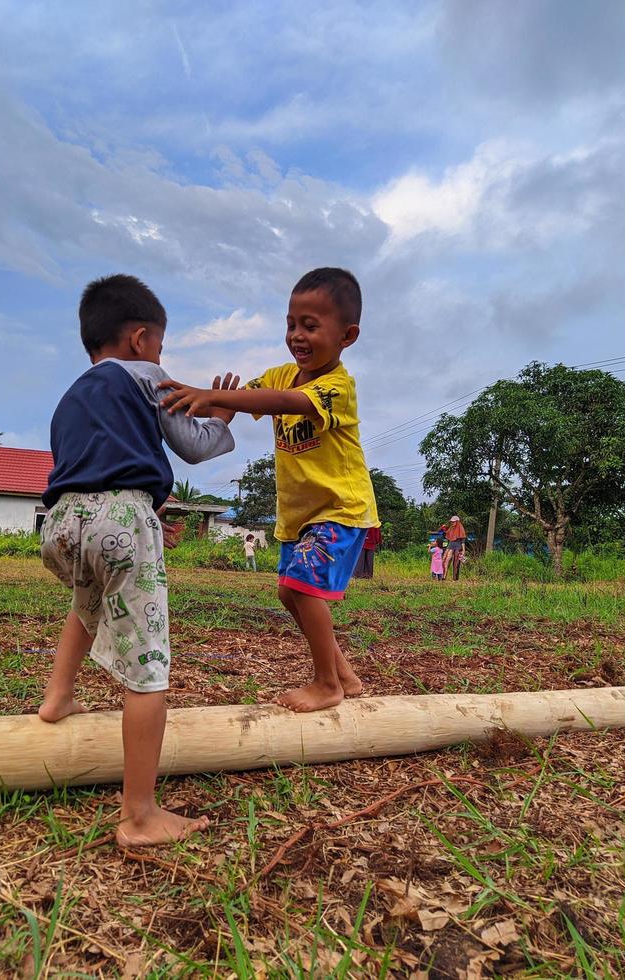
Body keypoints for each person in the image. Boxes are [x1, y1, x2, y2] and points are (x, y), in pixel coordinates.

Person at [38, 274, 236, 849]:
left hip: (60, 524)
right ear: (140, 339)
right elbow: (194, 445)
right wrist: (222, 414)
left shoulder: (70, 396)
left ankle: (58, 697)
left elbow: (90, 465)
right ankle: (140, 814)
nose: (161, 356)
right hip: (121, 518)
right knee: (148, 665)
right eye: (161, 346)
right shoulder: (150, 378)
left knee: (89, 602)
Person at [160, 267, 379, 712]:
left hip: (340, 509)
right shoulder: (281, 375)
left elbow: (283, 403)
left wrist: (211, 395)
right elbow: (247, 398)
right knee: (288, 591)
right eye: (291, 324)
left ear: (347, 335)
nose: (297, 335)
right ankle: (345, 675)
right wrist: (215, 410)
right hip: (299, 518)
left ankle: (326, 685)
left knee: (301, 588)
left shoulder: (337, 388)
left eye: (311, 326)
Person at [444, 514, 467, 581]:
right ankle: (443, 577)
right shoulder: (451, 529)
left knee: (456, 563)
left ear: (457, 522)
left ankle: (455, 579)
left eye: (453, 522)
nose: (452, 523)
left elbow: (462, 541)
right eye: (451, 522)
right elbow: (447, 537)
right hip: (450, 546)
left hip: (458, 547)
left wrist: (463, 550)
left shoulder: (461, 529)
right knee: (446, 559)